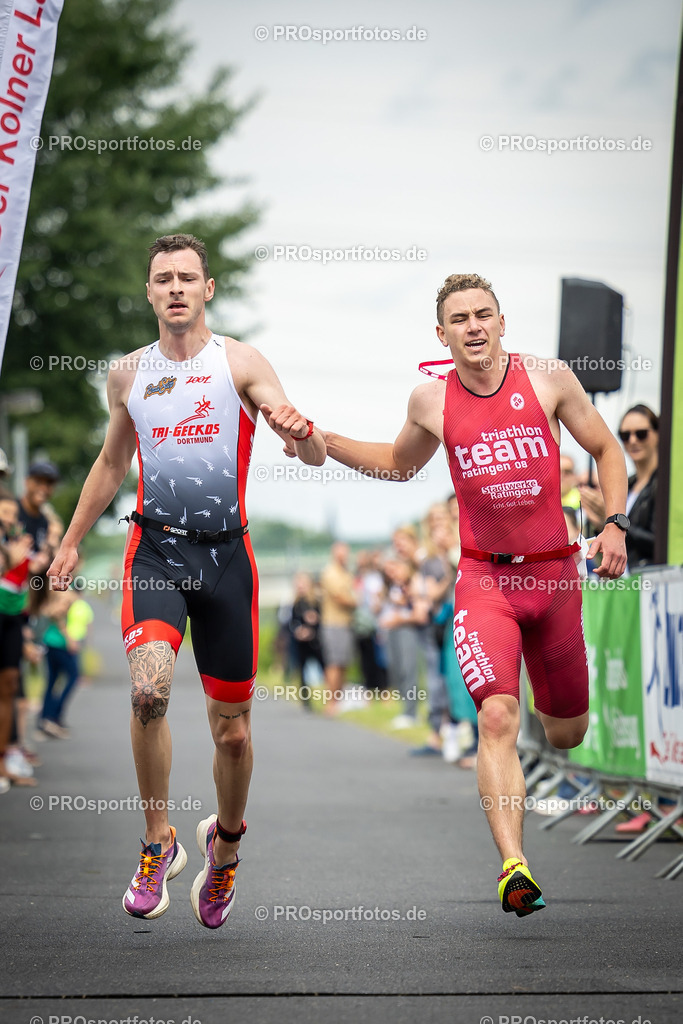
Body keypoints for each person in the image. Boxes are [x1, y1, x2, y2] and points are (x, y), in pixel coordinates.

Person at [322, 273, 628, 917]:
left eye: (483, 315)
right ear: (442, 334)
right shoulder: (430, 401)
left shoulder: (548, 378)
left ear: (501, 321)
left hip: (554, 577)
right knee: (496, 715)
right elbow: (398, 464)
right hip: (485, 581)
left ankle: (548, 752)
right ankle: (514, 867)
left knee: (566, 731)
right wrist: (325, 442)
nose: (473, 327)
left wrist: (614, 524)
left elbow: (605, 448)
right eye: (459, 319)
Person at [48, 233, 325, 928]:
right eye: (162, 278)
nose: (174, 287)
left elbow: (310, 452)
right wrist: (71, 541)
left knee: (231, 733)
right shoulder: (127, 375)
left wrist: (302, 433)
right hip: (155, 553)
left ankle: (224, 846)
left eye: (186, 277)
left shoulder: (240, 362)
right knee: (148, 690)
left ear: (207, 289)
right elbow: (111, 466)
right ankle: (156, 840)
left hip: (227, 560)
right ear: (148, 293)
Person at [579, 404, 659, 572]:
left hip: (652, 580)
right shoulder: (626, 484)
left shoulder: (664, 485)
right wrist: (602, 523)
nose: (632, 440)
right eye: (625, 435)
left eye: (641, 434)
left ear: (657, 434)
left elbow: (661, 542)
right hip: (624, 581)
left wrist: (616, 524)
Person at [319, 542, 357, 711]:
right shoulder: (330, 573)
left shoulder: (346, 572)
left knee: (343, 662)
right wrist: (357, 601)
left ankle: (340, 700)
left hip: (345, 623)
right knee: (334, 662)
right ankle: (331, 701)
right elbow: (341, 597)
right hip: (333, 623)